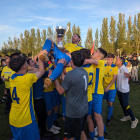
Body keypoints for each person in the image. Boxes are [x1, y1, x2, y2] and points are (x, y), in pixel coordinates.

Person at [9, 50, 47, 140]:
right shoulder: (27, 78)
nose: (28, 64)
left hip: (13, 119)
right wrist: (40, 59)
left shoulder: (12, 77)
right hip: (26, 121)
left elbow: (33, 70)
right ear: (24, 66)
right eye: (27, 63)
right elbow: (41, 71)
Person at [55, 50, 88, 140]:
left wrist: (54, 80)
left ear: (72, 61)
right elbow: (70, 82)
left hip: (74, 112)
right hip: (83, 109)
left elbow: (60, 91)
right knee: (81, 131)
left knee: (70, 136)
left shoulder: (71, 74)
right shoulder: (84, 72)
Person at [84, 48, 108, 140]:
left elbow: (87, 60)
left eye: (94, 52)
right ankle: (92, 137)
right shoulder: (93, 63)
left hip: (97, 93)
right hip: (90, 93)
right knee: (90, 116)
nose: (92, 53)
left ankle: (101, 137)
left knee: (97, 116)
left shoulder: (101, 62)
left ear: (98, 55)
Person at [115, 57, 138, 129]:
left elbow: (131, 76)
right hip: (119, 89)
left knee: (125, 104)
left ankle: (134, 119)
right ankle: (126, 116)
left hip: (125, 90)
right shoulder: (116, 68)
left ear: (121, 62)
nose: (115, 61)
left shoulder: (124, 69)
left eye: (117, 60)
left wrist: (130, 76)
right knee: (122, 104)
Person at [81, 48, 95, 140]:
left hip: (81, 99)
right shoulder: (93, 66)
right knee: (89, 118)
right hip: (89, 97)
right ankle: (92, 137)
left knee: (80, 120)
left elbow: (65, 71)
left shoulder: (79, 68)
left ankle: (81, 135)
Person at [103, 54, 118, 126]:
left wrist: (108, 87)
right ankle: (111, 113)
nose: (110, 61)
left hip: (111, 88)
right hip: (104, 88)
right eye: (108, 59)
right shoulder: (104, 66)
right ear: (107, 59)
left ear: (113, 60)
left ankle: (108, 118)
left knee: (110, 103)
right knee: (107, 101)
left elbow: (114, 78)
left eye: (111, 60)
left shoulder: (115, 67)